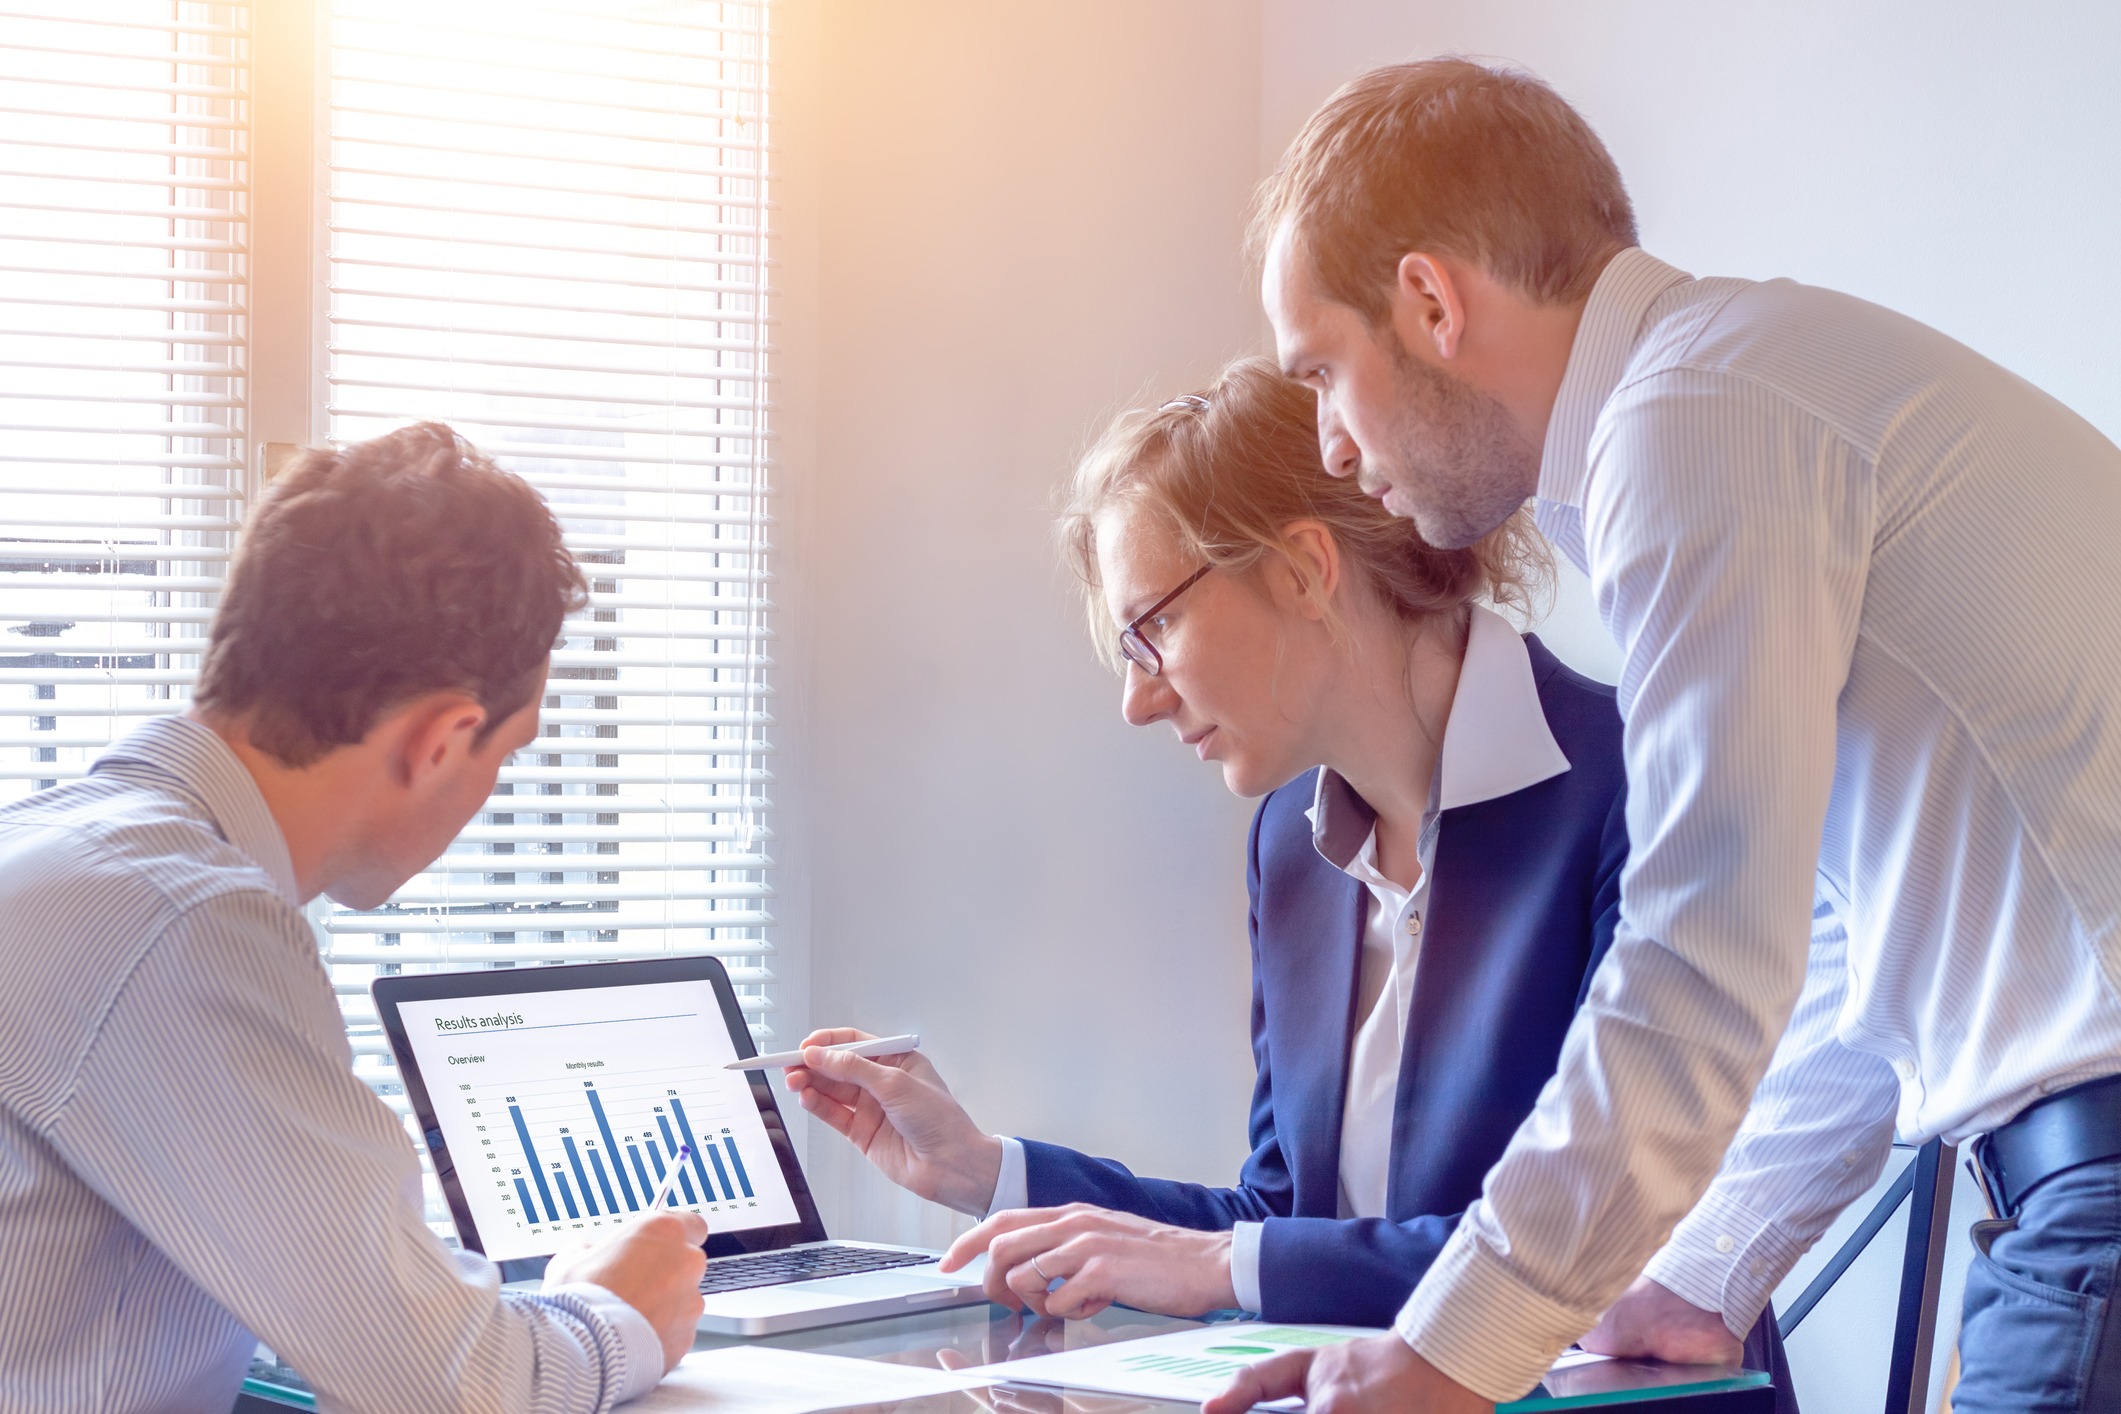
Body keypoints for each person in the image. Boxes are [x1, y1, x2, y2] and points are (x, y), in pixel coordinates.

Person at [1209, 58, 2121, 1414]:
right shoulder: (1744, 385)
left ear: (1430, 302)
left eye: (1324, 374)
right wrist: (1702, 1273)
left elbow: (1702, 945)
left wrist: (1460, 1344)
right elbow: (1832, 942)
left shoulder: (1692, 422)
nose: (1332, 448)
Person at [782, 359, 1795, 1402]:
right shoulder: (1291, 842)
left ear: (1304, 569)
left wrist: (1226, 1265)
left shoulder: (1641, 785)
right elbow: (1284, 1221)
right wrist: (987, 1170)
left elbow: (1603, 1255)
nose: (1138, 700)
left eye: (1153, 630)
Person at [0, 425, 708, 1413]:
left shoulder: (58, 853)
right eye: (505, 754)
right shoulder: (181, 924)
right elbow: (457, 1390)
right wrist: (614, 1312)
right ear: (442, 737)